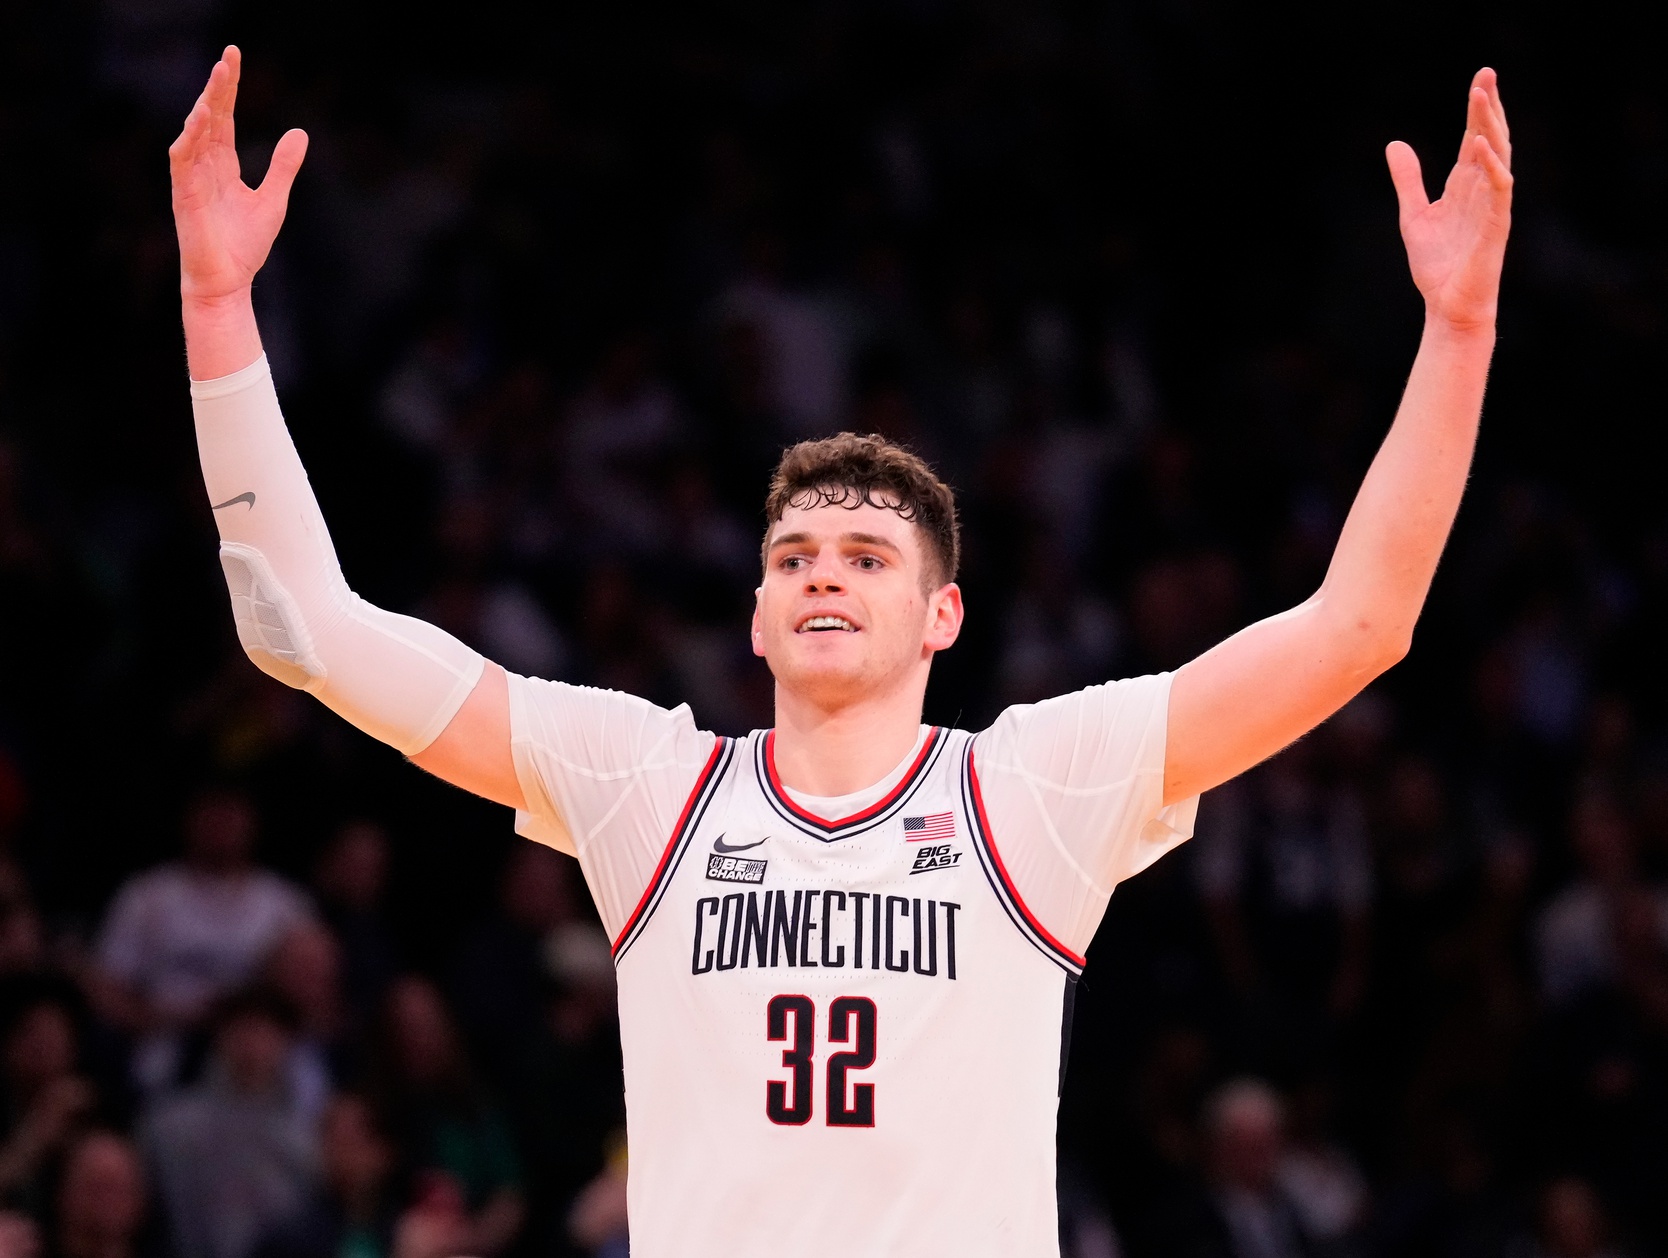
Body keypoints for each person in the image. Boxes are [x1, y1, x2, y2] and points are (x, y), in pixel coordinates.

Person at [169, 44, 1512, 1258]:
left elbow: (1360, 623)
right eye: (796, 557)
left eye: (869, 559)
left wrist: (1456, 337)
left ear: (944, 616)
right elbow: (308, 626)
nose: (825, 573)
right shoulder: (649, 784)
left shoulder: (1032, 786)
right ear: (753, 616)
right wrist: (219, 306)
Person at [90, 787, 314, 1093]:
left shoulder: (283, 904)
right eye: (212, 815)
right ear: (190, 822)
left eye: (231, 816)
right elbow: (106, 990)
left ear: (251, 824)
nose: (221, 827)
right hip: (167, 1040)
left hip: (262, 1047)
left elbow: (317, 998)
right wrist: (171, 1017)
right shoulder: (147, 895)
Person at [137, 989, 318, 1258]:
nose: (252, 1044)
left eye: (265, 1033)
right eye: (242, 1029)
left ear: (285, 1045)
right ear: (221, 1036)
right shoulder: (168, 1127)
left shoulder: (304, 1142)